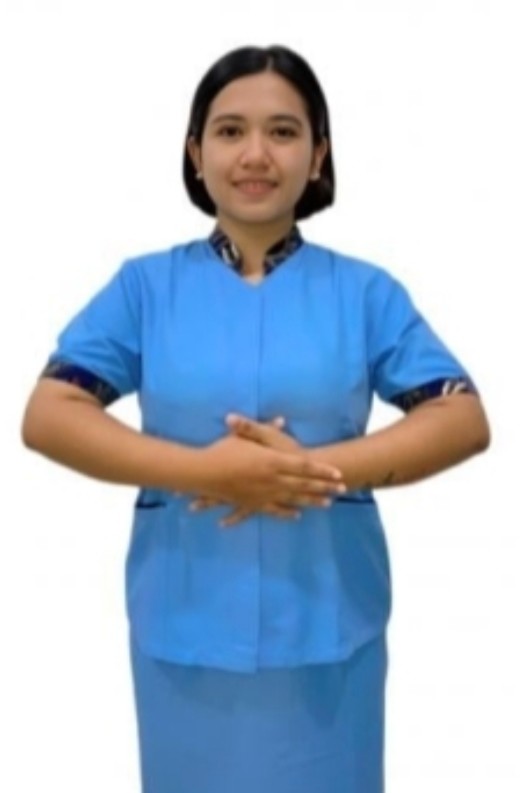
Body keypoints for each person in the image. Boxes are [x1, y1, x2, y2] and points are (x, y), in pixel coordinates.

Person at [21, 44, 490, 793]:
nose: (255, 154)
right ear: (195, 153)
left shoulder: (364, 292)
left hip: (330, 633)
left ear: (318, 155)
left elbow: (461, 416)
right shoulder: (144, 289)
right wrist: (204, 472)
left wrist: (305, 473)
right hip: (184, 629)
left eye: (283, 131)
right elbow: (49, 412)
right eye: (231, 131)